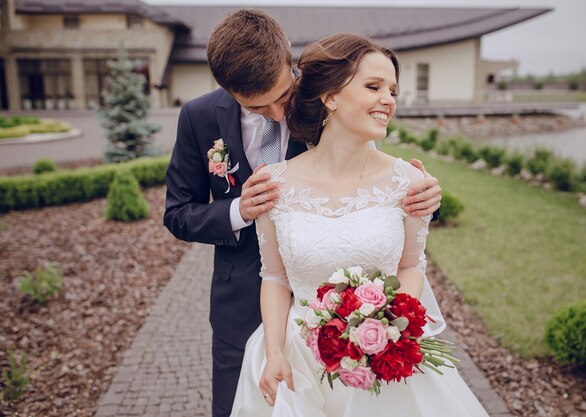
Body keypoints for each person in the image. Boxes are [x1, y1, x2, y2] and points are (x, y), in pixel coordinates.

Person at [163, 10, 442, 417]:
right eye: (258, 107)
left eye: (281, 96)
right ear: (227, 91)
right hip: (243, 298)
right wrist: (239, 210)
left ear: (288, 62)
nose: (279, 115)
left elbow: (372, 187)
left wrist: (428, 199)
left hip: (341, 302)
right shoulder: (199, 117)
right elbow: (178, 213)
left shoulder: (321, 97)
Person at [228, 33, 488, 417]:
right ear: (330, 97)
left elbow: (410, 266)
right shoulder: (275, 185)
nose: (389, 100)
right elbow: (275, 277)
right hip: (297, 359)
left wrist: (388, 331)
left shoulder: (411, 183)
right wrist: (274, 352)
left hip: (380, 358)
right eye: (373, 86)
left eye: (393, 91)